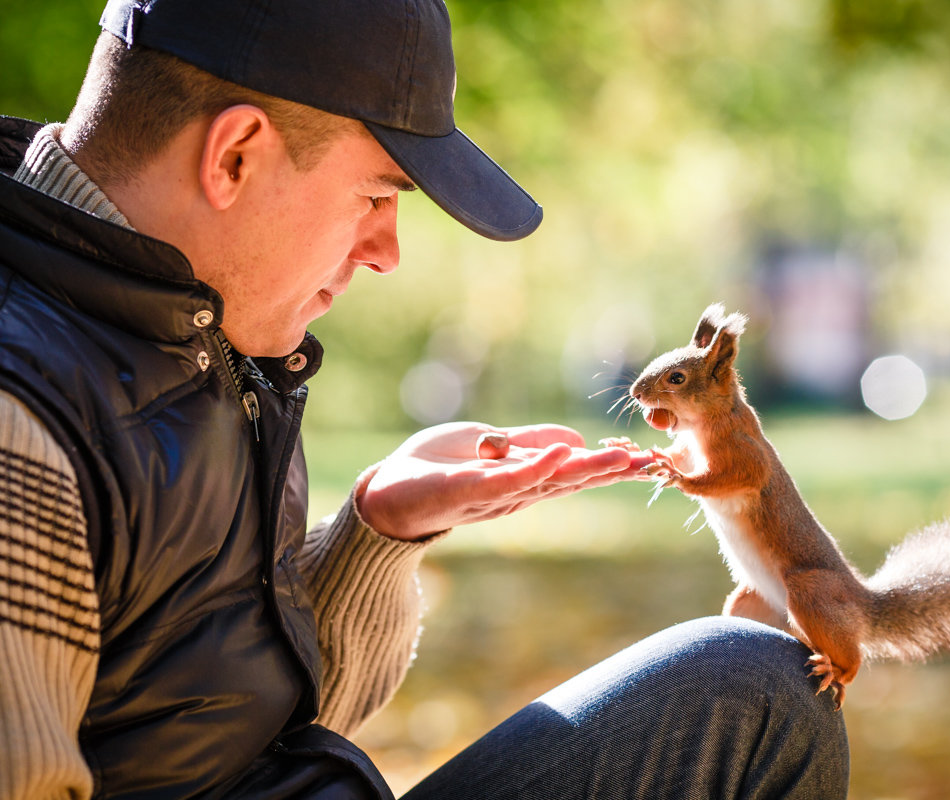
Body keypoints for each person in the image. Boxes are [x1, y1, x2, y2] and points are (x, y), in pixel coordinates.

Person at [0, 0, 849, 797]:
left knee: (757, 691)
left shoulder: (202, 331)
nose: (387, 252)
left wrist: (379, 532)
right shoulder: (23, 428)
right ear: (236, 157)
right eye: (375, 194)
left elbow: (235, 720)